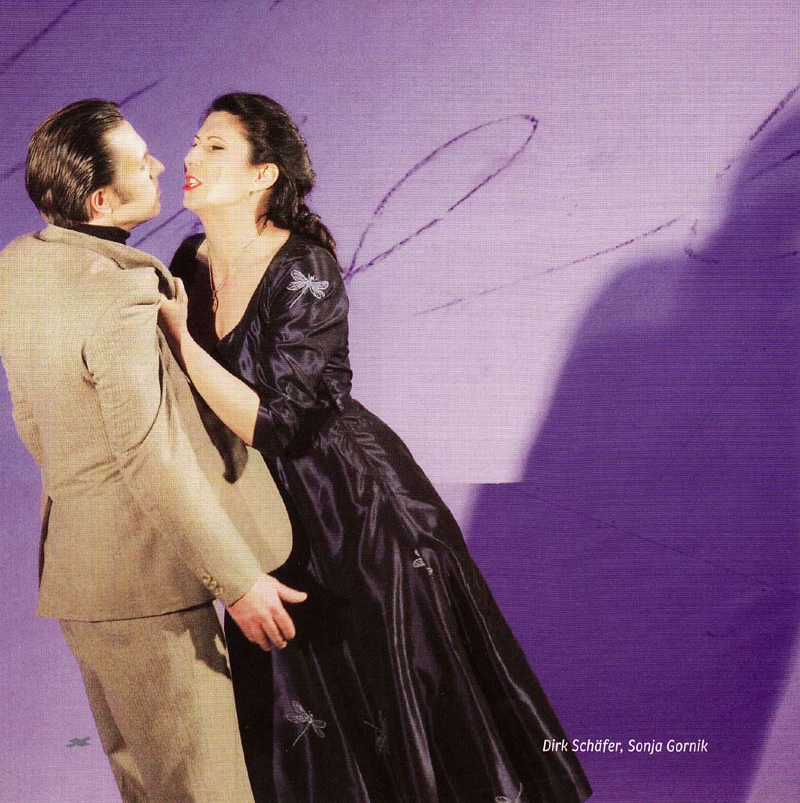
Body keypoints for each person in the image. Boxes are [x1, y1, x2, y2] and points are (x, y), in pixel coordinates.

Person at [161, 91, 592, 803]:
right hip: (267, 515)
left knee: (398, 707)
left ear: (263, 174)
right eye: (195, 141)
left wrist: (182, 343)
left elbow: (277, 422)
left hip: (358, 514)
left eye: (214, 146)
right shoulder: (189, 259)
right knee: (308, 725)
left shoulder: (305, 267)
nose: (189, 157)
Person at [0, 99, 305, 803]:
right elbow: (149, 454)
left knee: (148, 787)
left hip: (78, 575)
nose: (162, 165)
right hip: (150, 587)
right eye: (141, 163)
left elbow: (31, 422)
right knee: (206, 790)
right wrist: (238, 580)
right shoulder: (119, 296)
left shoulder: (18, 266)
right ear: (102, 200)